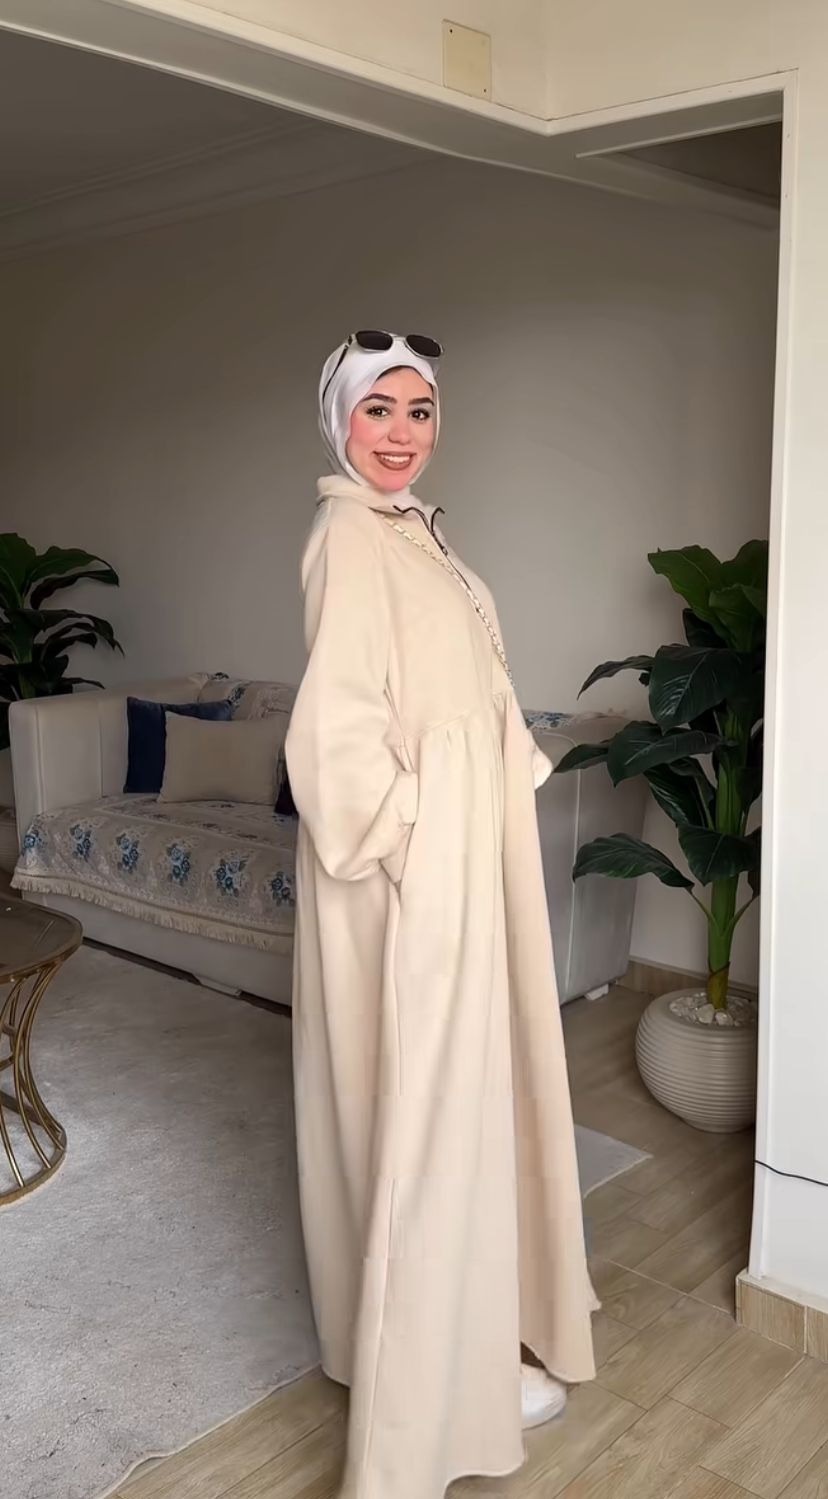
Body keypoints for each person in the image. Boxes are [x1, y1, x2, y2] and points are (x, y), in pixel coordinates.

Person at [285, 331, 597, 1499]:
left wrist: (490, 794)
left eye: (420, 410)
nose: (403, 431)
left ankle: (447, 1340)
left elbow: (471, 688)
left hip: (459, 849)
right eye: (380, 409)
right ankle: (431, 1390)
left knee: (457, 1099)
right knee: (424, 1106)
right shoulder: (347, 537)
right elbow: (336, 733)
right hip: (408, 871)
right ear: (341, 422)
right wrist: (421, 831)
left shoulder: (414, 530)